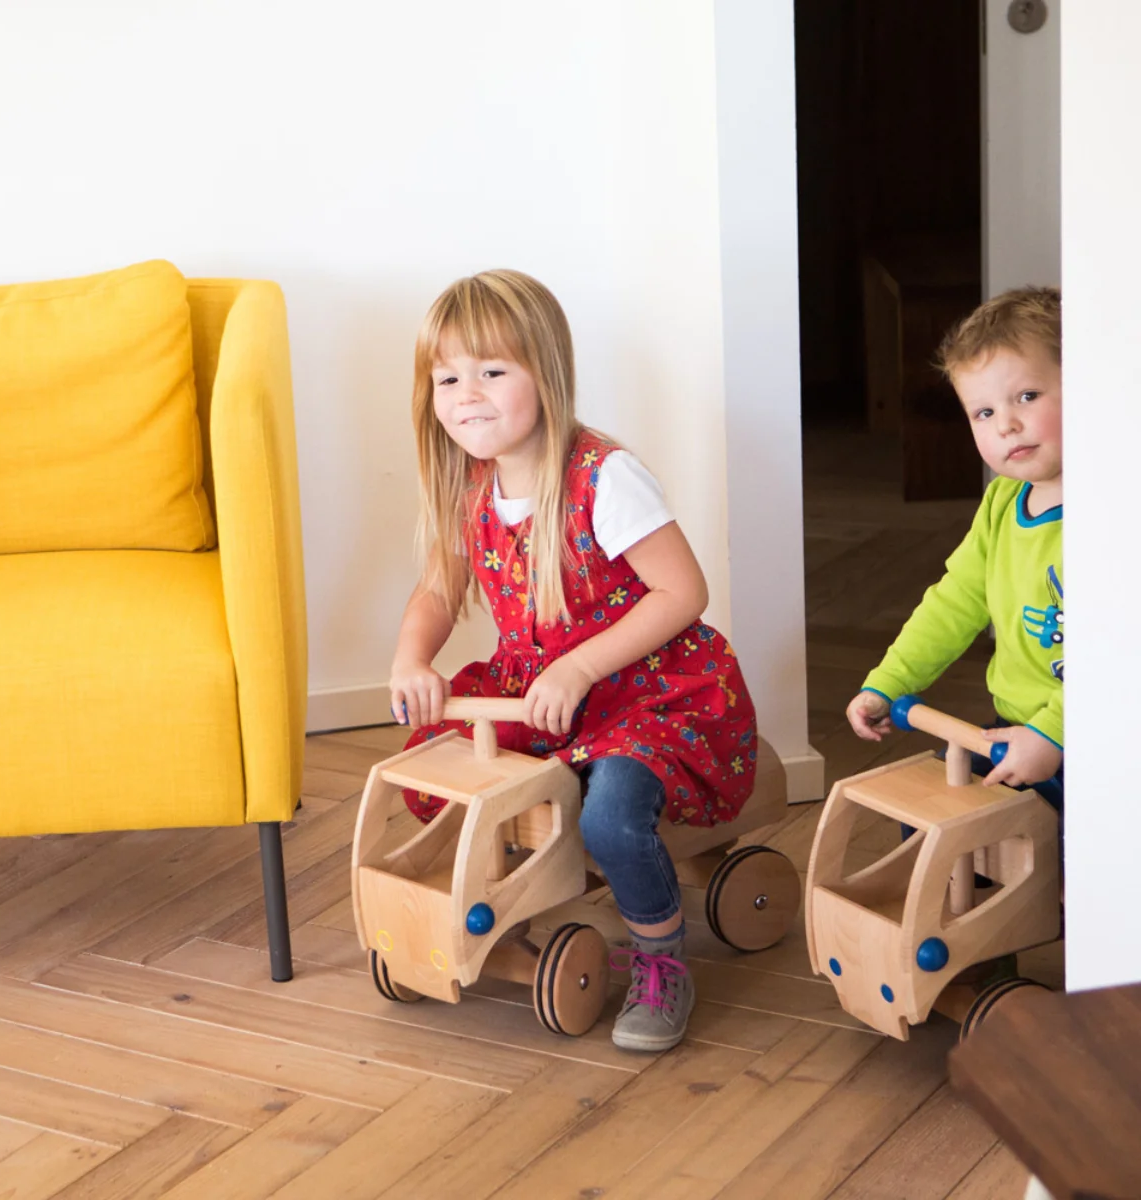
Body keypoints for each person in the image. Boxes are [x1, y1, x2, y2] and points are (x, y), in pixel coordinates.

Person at [389, 268, 758, 1052]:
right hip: (541, 694)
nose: (468, 395)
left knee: (611, 818)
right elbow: (436, 590)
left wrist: (581, 666)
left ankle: (661, 960)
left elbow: (682, 592)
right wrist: (410, 659)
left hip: (646, 695)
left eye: (492, 371)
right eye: (448, 377)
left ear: (545, 373)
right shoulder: (472, 489)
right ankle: (493, 909)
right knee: (445, 769)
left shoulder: (602, 477)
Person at [846, 286, 1064, 812]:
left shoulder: (1115, 516)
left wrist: (1057, 733)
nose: (1006, 424)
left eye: (1027, 397)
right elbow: (956, 601)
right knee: (938, 824)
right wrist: (891, 680)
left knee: (1073, 858)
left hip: (1100, 734)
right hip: (1016, 728)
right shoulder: (1002, 501)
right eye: (983, 413)